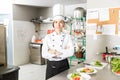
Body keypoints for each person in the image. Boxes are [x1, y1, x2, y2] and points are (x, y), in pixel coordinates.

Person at [42, 15, 74, 80]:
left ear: (64, 24)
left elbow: (71, 52)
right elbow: (44, 54)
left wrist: (52, 51)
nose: (58, 24)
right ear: (53, 24)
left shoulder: (68, 36)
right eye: (56, 22)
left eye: (60, 22)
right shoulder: (48, 37)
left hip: (64, 64)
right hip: (51, 64)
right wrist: (64, 50)